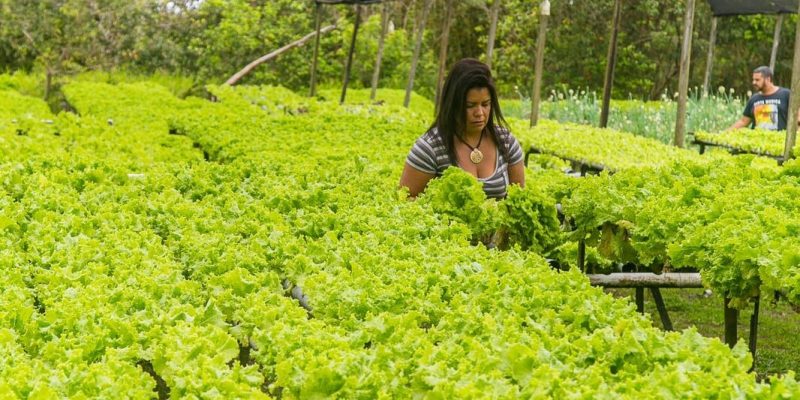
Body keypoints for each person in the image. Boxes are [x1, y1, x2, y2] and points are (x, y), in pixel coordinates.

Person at [399, 58, 525, 199]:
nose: (479, 113)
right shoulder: (430, 148)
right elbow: (405, 199)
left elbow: (518, 199)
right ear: (453, 105)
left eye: (485, 104)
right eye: (470, 106)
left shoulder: (505, 141)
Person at [727, 66, 790, 131]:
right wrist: (725, 133)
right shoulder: (754, 99)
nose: (754, 82)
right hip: (758, 138)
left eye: (757, 80)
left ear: (768, 79)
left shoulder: (785, 95)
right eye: (753, 80)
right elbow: (744, 121)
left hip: (778, 139)